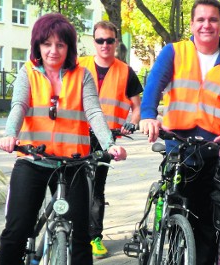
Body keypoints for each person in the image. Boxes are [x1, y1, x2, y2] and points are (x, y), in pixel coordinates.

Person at [0, 13, 127, 265]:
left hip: (73, 164)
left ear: (69, 47)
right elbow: (19, 106)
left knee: (80, 235)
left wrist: (110, 145)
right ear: (38, 46)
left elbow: (94, 112)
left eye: (60, 44)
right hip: (33, 160)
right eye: (47, 44)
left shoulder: (83, 75)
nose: (53, 50)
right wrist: (10, 134)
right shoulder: (28, 72)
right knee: (16, 231)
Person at [139, 0, 220, 263]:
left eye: (212, 20)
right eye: (200, 20)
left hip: (213, 146)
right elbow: (154, 85)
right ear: (192, 24)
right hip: (179, 142)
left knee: (207, 221)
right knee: (179, 205)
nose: (206, 25)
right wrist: (148, 116)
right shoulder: (174, 52)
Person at [77, 20, 143, 259]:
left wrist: (132, 123)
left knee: (96, 187)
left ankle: (94, 237)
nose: (104, 45)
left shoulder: (125, 71)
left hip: (106, 140)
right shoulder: (79, 64)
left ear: (116, 42)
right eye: (99, 40)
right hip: (76, 134)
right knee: (71, 183)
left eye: (109, 40)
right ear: (93, 42)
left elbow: (137, 108)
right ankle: (70, 232)